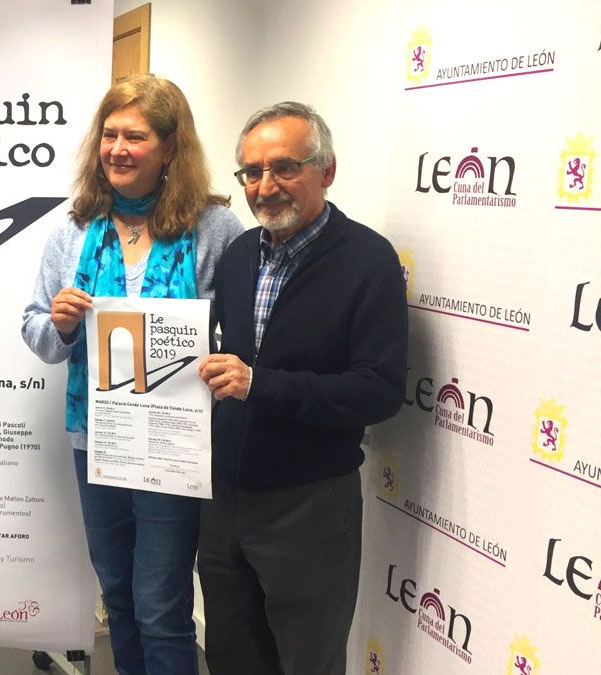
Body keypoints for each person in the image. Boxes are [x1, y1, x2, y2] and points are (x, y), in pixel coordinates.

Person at [21, 74, 243, 675]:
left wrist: (217, 354)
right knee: (117, 596)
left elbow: (244, 335)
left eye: (135, 136)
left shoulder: (215, 229)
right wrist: (62, 324)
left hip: (173, 445)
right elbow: (36, 333)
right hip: (95, 440)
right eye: (110, 135)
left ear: (170, 147)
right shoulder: (72, 228)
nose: (117, 148)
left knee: (161, 607)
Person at [196, 101, 408, 674]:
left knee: (307, 662)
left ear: (326, 170)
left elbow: (379, 390)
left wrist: (261, 385)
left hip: (310, 505)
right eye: (252, 172)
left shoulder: (370, 261)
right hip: (222, 501)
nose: (266, 187)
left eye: (284, 167)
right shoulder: (239, 255)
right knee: (232, 658)